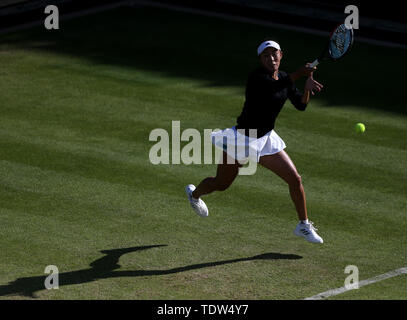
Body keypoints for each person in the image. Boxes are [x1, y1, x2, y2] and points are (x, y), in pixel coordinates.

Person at [185, 39, 324, 243]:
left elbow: (301, 105)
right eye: (265, 55)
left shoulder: (285, 78)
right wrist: (298, 75)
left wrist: (307, 88)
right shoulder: (257, 77)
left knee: (295, 179)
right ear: (261, 59)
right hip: (242, 139)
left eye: (274, 54)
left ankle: (303, 225)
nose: (271, 58)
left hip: (266, 138)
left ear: (281, 55)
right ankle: (194, 195)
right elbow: (272, 89)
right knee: (221, 184)